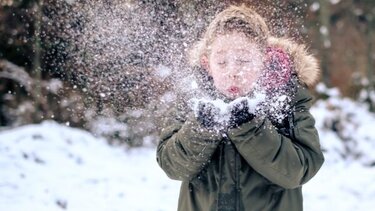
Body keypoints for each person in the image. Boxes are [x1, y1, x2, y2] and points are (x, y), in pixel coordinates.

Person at [156, 4, 324, 211]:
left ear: (264, 60)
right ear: (207, 64)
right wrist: (203, 127)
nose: (233, 72)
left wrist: (249, 127)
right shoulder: (193, 101)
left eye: (244, 60)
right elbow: (173, 167)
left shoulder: (286, 99)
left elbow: (298, 171)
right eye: (222, 62)